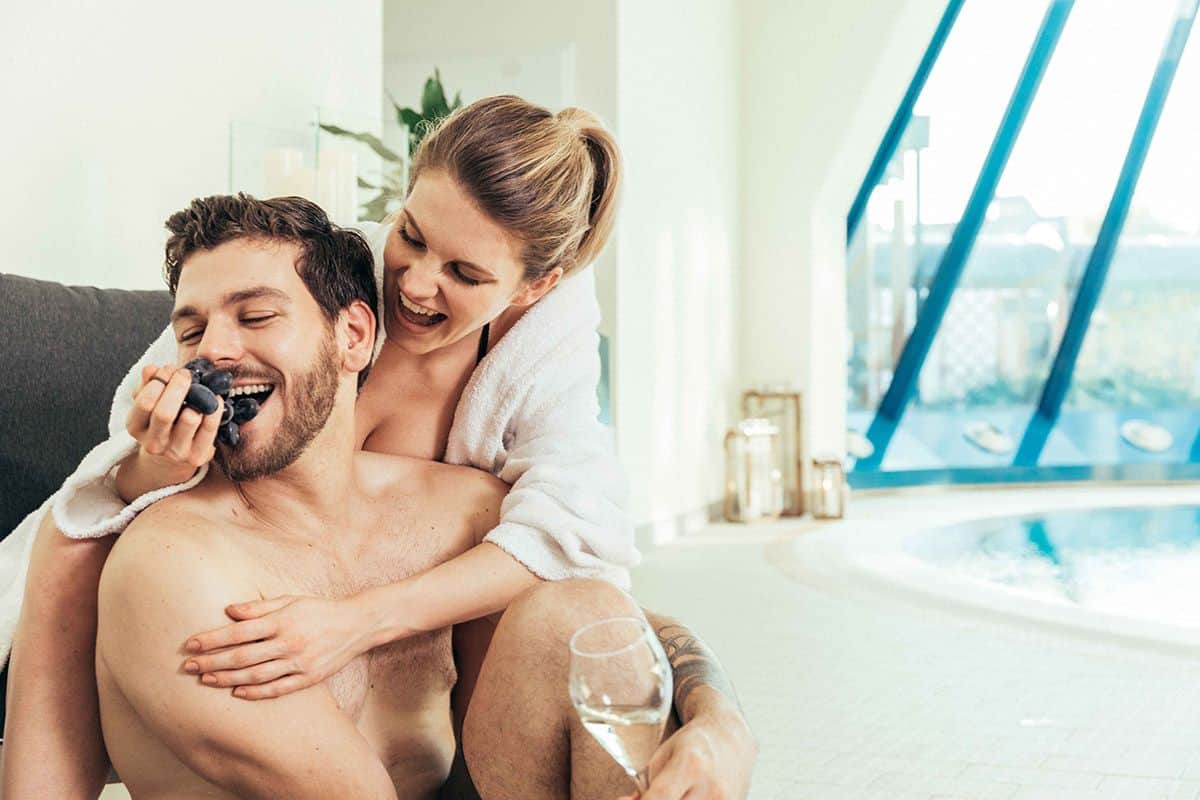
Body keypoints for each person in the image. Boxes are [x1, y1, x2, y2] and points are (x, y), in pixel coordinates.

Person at [1, 97, 756, 797]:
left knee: (579, 615)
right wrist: (143, 471)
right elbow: (79, 530)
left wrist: (718, 719)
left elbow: (591, 582)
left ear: (532, 289)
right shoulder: (172, 557)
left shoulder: (476, 482)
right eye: (412, 237)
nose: (417, 285)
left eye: (464, 272)